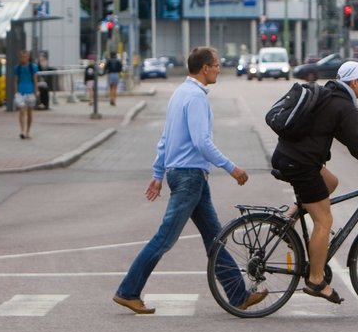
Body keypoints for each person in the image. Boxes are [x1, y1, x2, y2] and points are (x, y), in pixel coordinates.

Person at [113, 46, 265, 314]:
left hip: (186, 174)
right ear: (205, 68)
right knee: (165, 239)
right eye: (216, 65)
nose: (219, 69)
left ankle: (238, 295)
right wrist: (232, 168)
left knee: (215, 238)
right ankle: (128, 291)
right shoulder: (195, 97)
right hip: (189, 176)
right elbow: (202, 142)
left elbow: (165, 139)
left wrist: (159, 173)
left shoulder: (180, 94)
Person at [270, 61, 358, 304]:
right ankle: (316, 281)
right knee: (324, 220)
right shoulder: (346, 106)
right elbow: (356, 149)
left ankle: (289, 217)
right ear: (354, 82)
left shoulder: (330, 96)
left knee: (331, 182)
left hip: (289, 156)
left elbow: (347, 137)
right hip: (301, 164)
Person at [14, 50, 39, 139]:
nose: (23, 58)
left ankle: (28, 131)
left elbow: (35, 80)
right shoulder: (17, 68)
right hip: (21, 92)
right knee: (21, 110)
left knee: (29, 112)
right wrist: (16, 92)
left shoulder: (33, 67)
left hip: (30, 92)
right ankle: (22, 131)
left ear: (28, 57)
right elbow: (16, 80)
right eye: (22, 57)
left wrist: (36, 91)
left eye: (25, 56)